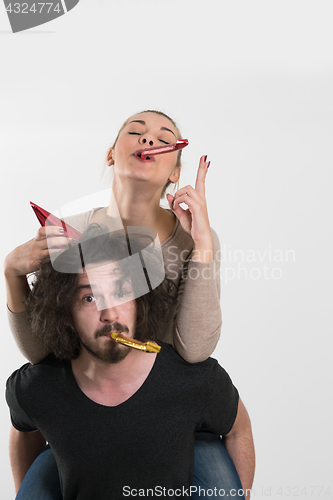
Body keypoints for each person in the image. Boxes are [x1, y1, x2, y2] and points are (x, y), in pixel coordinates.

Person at [4, 110, 233, 497]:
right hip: (87, 410)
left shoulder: (193, 240)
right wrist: (11, 273)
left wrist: (203, 246)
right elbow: (42, 351)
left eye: (163, 136)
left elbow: (195, 350)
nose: (148, 140)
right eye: (136, 132)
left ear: (175, 172)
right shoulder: (68, 233)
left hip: (168, 416)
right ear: (111, 154)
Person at [6, 228, 255, 500]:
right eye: (89, 298)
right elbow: (24, 429)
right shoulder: (36, 387)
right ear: (66, 314)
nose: (110, 314)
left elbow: (238, 429)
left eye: (121, 292)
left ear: (140, 300)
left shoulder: (195, 380)